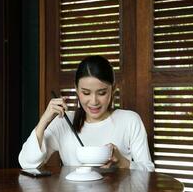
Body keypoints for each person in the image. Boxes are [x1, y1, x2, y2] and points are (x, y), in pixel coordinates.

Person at [18, 55, 155, 171]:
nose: (94, 101)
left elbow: (149, 171)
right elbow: (28, 164)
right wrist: (44, 121)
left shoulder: (130, 120)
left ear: (113, 90)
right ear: (76, 90)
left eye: (101, 93)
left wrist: (122, 162)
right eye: (86, 93)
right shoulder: (64, 122)